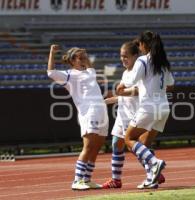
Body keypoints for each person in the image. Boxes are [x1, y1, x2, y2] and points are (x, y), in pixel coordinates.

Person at [101, 41, 165, 189]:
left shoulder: (140, 71)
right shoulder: (125, 72)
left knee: (136, 146)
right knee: (117, 143)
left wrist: (122, 92)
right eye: (121, 56)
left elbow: (137, 91)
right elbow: (124, 94)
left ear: (136, 56)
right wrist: (110, 100)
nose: (123, 59)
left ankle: (154, 171)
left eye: (126, 56)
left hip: (135, 113)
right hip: (123, 113)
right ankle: (116, 179)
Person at [117, 31, 174, 189]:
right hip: (163, 107)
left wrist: (121, 85)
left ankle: (155, 163)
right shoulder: (163, 62)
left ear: (145, 45)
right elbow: (171, 84)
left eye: (140, 43)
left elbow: (131, 79)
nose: (139, 46)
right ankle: (151, 179)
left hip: (149, 106)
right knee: (144, 142)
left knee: (129, 139)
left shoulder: (143, 60)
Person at [47, 45, 109, 190]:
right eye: (80, 58)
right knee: (88, 146)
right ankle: (77, 180)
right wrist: (52, 52)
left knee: (97, 146)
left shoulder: (89, 72)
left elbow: (90, 66)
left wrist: (85, 57)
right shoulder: (69, 75)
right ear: (72, 60)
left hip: (101, 111)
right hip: (89, 112)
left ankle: (87, 180)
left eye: (84, 57)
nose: (84, 59)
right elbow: (50, 72)